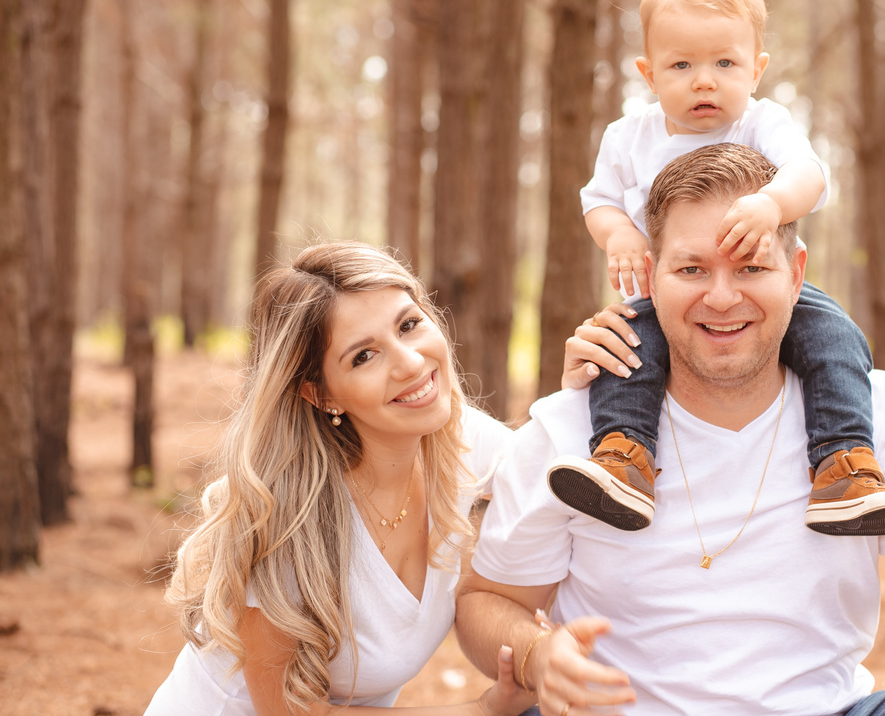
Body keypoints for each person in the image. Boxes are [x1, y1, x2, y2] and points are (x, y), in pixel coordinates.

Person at [456, 144, 885, 716]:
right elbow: (487, 603)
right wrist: (540, 658)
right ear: (650, 275)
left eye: (750, 267)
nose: (722, 298)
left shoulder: (862, 417)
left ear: (796, 272)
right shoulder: (573, 426)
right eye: (692, 270)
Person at [144, 241, 630, 716]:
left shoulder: (462, 445)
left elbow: (544, 474)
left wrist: (577, 390)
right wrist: (482, 709)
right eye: (363, 356)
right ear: (320, 394)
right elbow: (293, 712)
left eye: (409, 325)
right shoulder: (285, 521)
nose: (411, 362)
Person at [546, 0, 885, 537]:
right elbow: (597, 200)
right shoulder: (629, 138)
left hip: (765, 288)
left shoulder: (761, 123)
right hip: (667, 293)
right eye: (682, 64)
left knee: (835, 338)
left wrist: (772, 203)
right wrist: (620, 233)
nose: (705, 80)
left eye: (725, 62)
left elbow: (810, 174)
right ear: (648, 74)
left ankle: (845, 463)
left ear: (756, 69)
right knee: (627, 349)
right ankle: (624, 458)